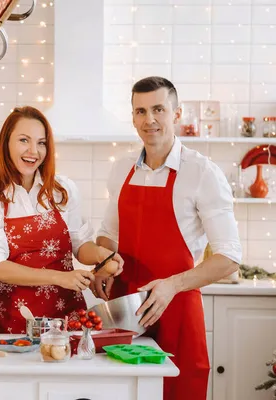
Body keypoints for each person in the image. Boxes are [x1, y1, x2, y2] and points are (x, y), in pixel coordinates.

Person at [95, 76, 241, 400]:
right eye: (140, 111)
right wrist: (103, 265)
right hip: (125, 314)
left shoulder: (202, 172)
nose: (150, 120)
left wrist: (172, 284)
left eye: (158, 109)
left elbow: (229, 257)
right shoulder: (120, 169)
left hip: (177, 311)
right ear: (133, 117)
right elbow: (108, 235)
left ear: (176, 113)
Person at [0, 106, 123, 334]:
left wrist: (102, 255)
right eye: (24, 140)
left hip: (66, 316)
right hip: (14, 317)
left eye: (41, 143)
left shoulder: (63, 190)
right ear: (6, 143)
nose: (34, 151)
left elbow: (80, 245)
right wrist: (60, 278)